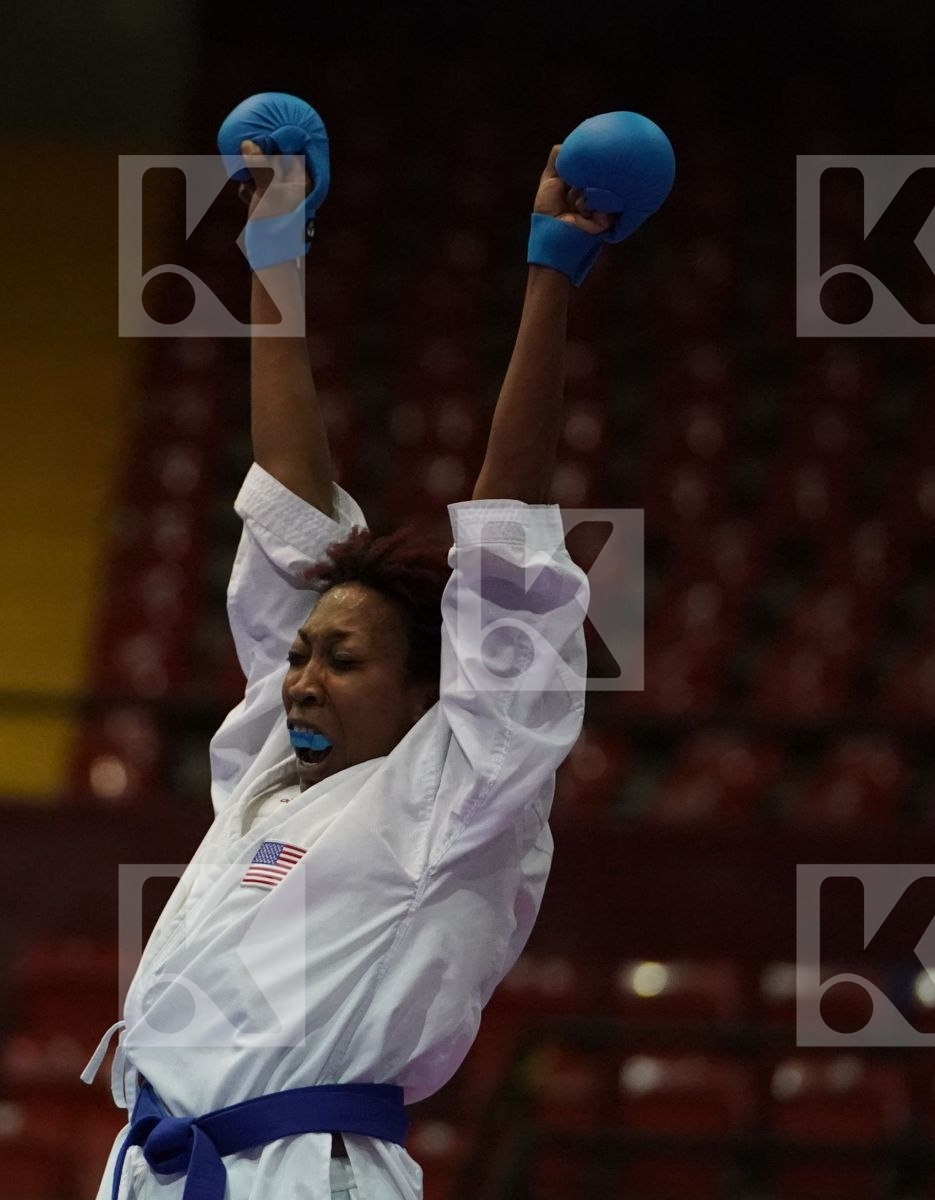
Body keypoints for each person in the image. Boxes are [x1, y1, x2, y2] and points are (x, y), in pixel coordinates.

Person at [81, 132, 613, 1200]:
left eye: (345, 660)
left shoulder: (454, 793)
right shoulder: (272, 781)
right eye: (301, 654)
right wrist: (274, 244)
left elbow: (507, 534)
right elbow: (290, 512)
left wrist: (552, 268)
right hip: (160, 1165)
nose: (301, 679)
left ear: (432, 692)